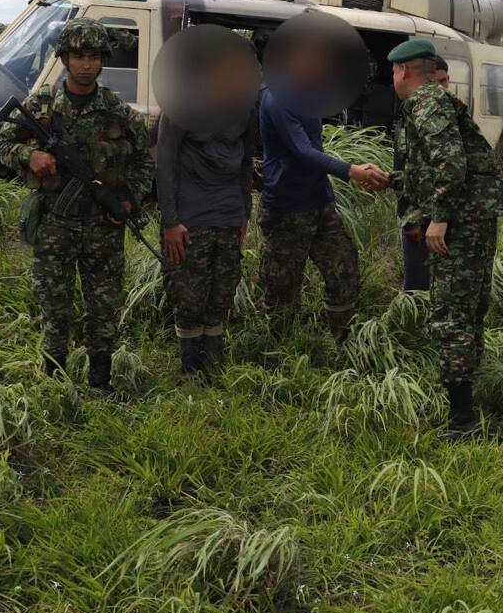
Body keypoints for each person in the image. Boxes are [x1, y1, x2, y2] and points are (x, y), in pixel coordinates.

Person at [0, 17, 153, 395]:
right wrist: (27, 157)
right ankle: (52, 382)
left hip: (103, 227)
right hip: (55, 225)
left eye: (94, 56)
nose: (86, 64)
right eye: (79, 56)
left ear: (103, 61)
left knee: (104, 308)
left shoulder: (117, 110)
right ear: (64, 58)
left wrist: (129, 200)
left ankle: (100, 381)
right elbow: (3, 143)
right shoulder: (42, 106)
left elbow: (145, 161)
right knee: (55, 307)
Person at [387, 38, 503, 438]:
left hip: (462, 220)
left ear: (403, 71)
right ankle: (468, 395)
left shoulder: (428, 103)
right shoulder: (427, 105)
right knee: (466, 309)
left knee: (452, 312)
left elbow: (450, 164)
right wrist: (390, 180)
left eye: (393, 71)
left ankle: (463, 420)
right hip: (471, 214)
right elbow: (428, 167)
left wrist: (439, 219)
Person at [257, 86, 387, 343]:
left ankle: (343, 341)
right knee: (283, 285)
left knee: (344, 267)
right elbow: (302, 150)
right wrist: (352, 171)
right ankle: (281, 351)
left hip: (319, 201)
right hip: (286, 207)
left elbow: (315, 145)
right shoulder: (277, 98)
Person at [156, 102, 256, 376]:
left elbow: (246, 160)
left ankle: (213, 369)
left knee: (221, 294)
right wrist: (171, 221)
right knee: (188, 297)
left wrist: (244, 210)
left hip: (228, 216)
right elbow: (164, 162)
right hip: (190, 220)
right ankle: (190, 372)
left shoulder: (243, 107)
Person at [397, 54, 452, 292]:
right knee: (417, 284)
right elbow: (408, 170)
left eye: (443, 82)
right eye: (433, 83)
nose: (439, 89)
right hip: (417, 212)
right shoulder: (412, 115)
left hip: (448, 215)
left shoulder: (454, 115)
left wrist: (440, 219)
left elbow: (454, 169)